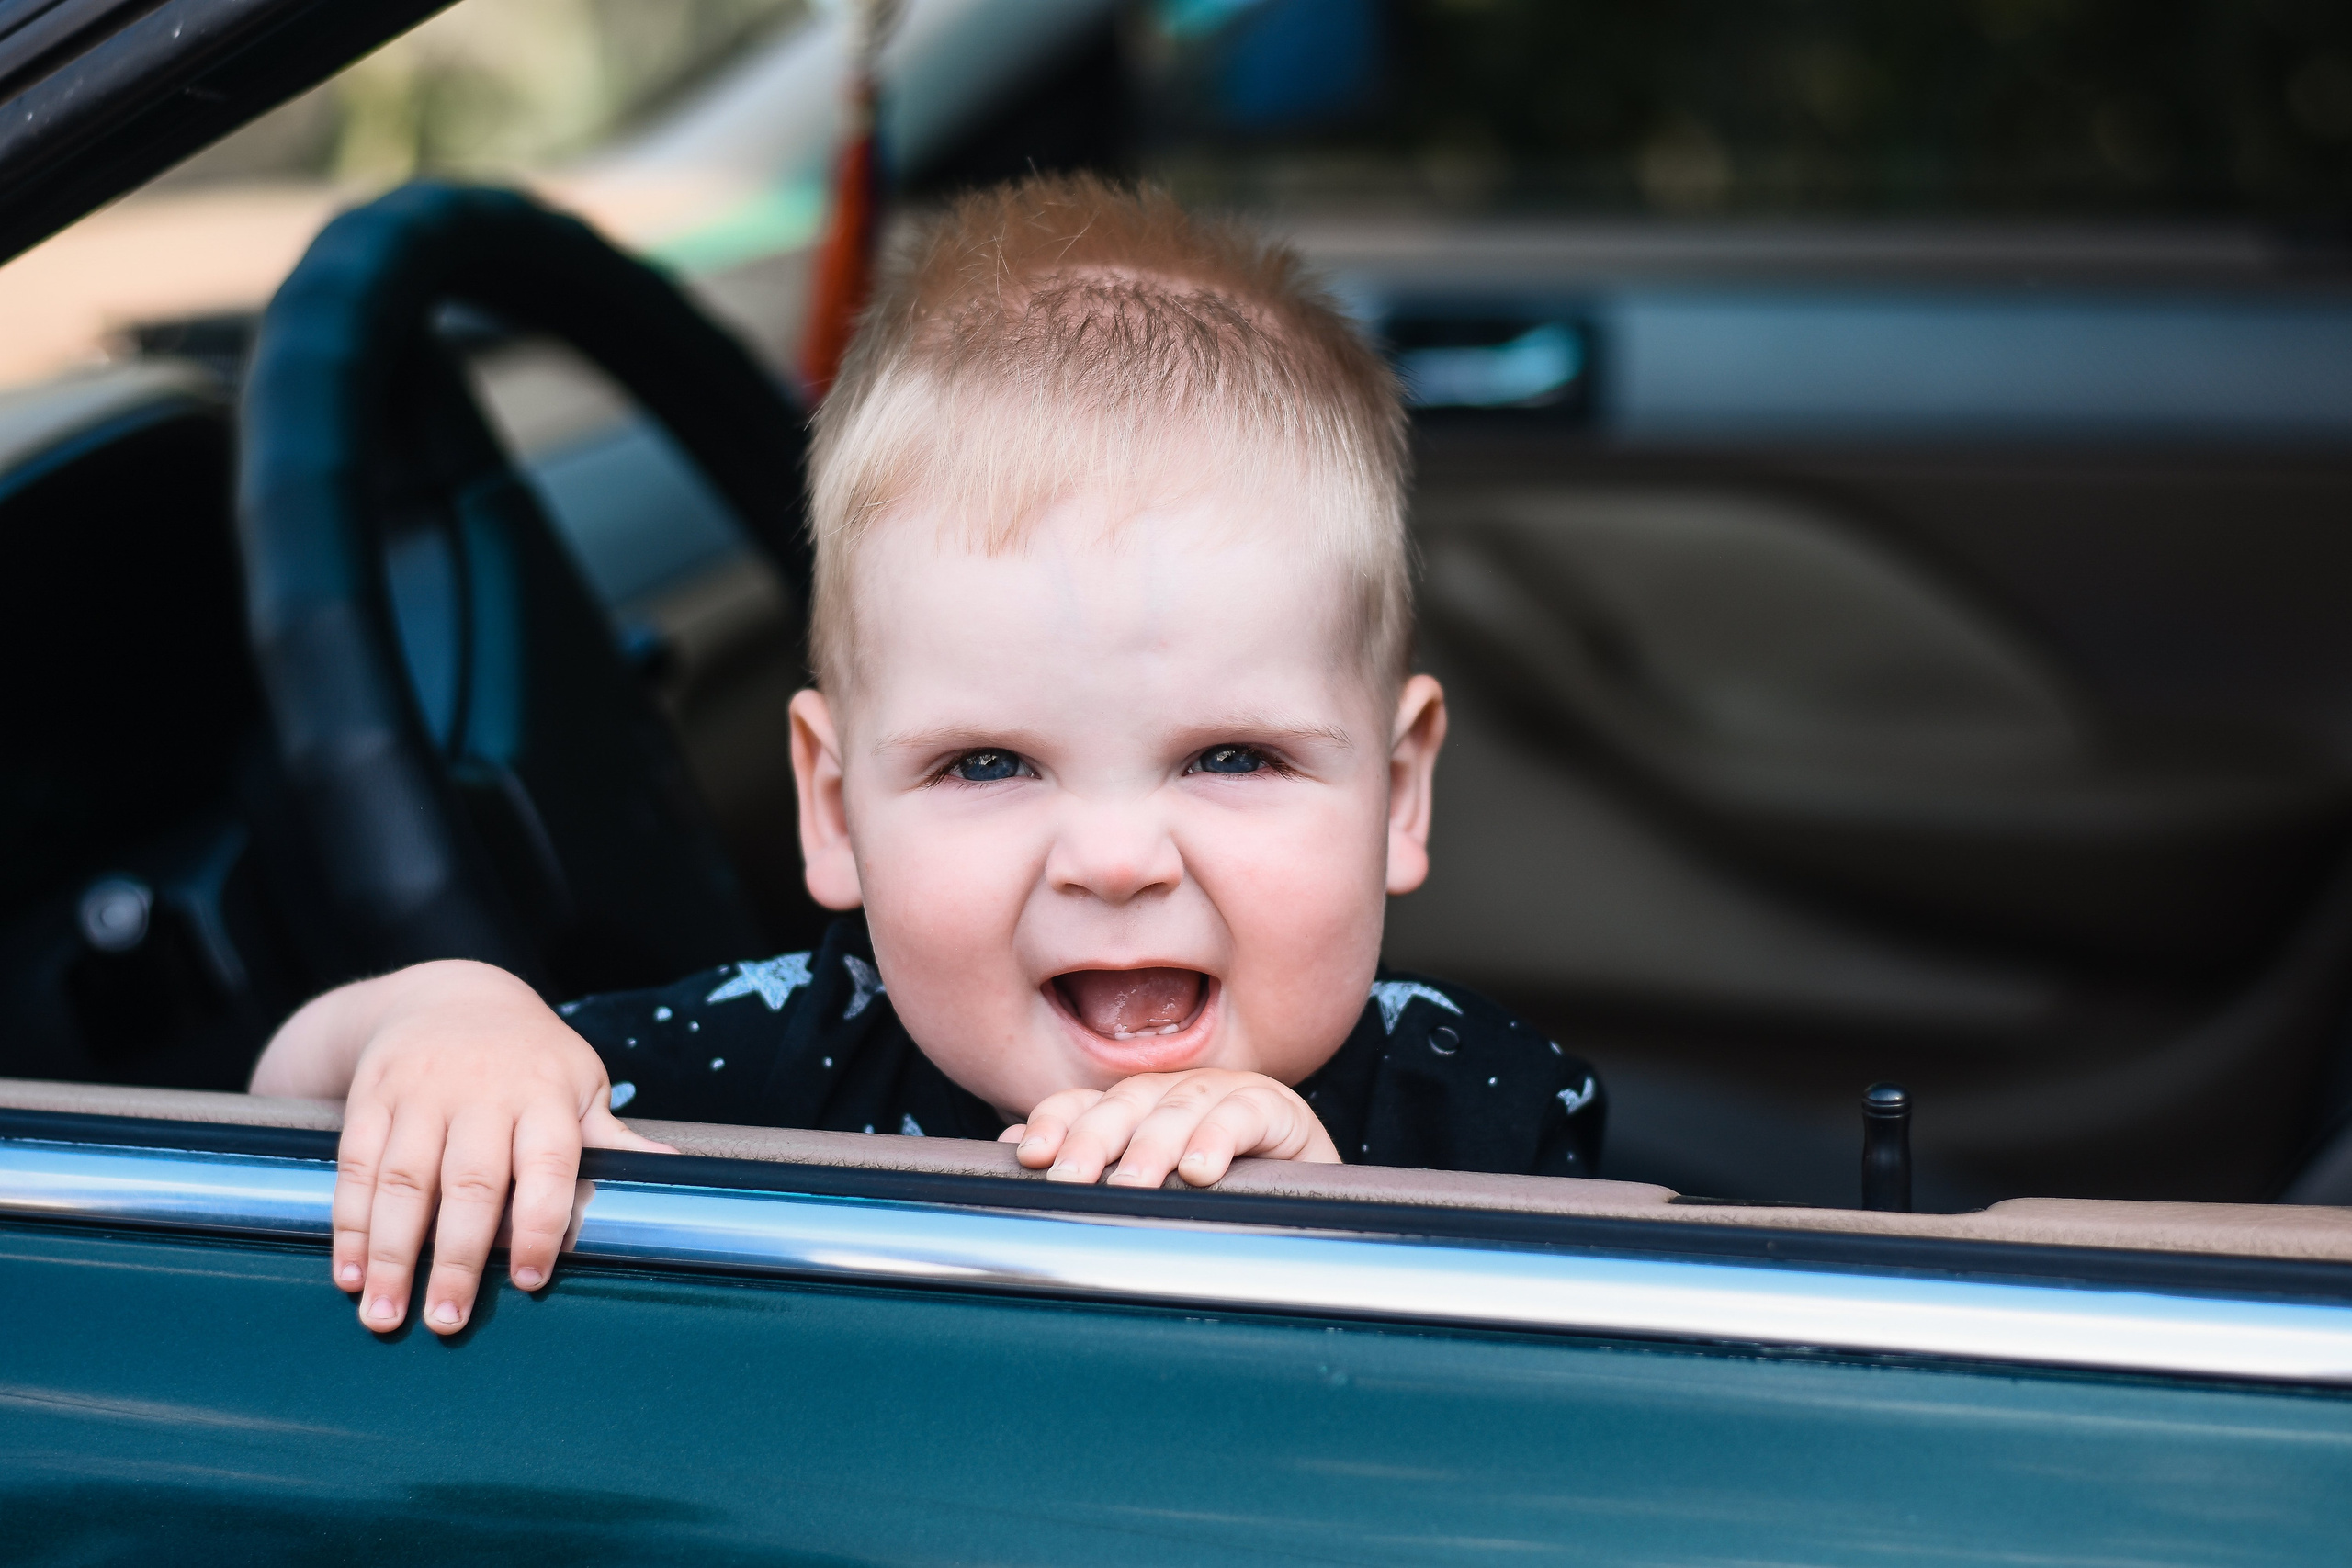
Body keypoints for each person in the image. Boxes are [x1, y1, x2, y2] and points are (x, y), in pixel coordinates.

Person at [248, 173, 1605, 1337]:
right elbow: (280, 1093)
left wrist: (1324, 1216)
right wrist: (449, 1019)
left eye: (1232, 757)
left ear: (1400, 791)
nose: (1117, 860)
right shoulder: (758, 1067)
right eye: (990, 767)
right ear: (833, 809)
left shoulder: (1482, 1111)